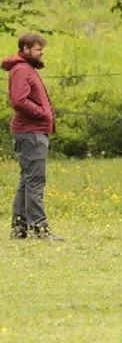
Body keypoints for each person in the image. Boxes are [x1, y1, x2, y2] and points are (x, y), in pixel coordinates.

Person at [2, 32, 63, 241]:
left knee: (27, 181)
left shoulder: (26, 69)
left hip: (31, 131)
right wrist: (42, 113)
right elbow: (18, 101)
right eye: (38, 49)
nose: (41, 52)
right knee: (35, 180)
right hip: (31, 132)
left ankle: (20, 229)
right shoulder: (21, 70)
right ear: (25, 49)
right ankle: (39, 229)